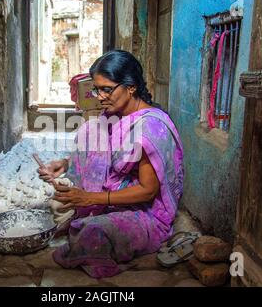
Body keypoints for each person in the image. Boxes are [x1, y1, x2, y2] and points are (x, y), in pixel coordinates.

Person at [38, 50, 184, 279]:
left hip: (142, 210)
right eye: (96, 89)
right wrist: (65, 164)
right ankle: (89, 217)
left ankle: (97, 225)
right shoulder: (112, 118)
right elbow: (98, 152)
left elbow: (148, 190)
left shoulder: (150, 128)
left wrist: (90, 199)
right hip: (108, 199)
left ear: (131, 87)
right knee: (58, 205)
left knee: (93, 234)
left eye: (107, 89)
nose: (100, 96)